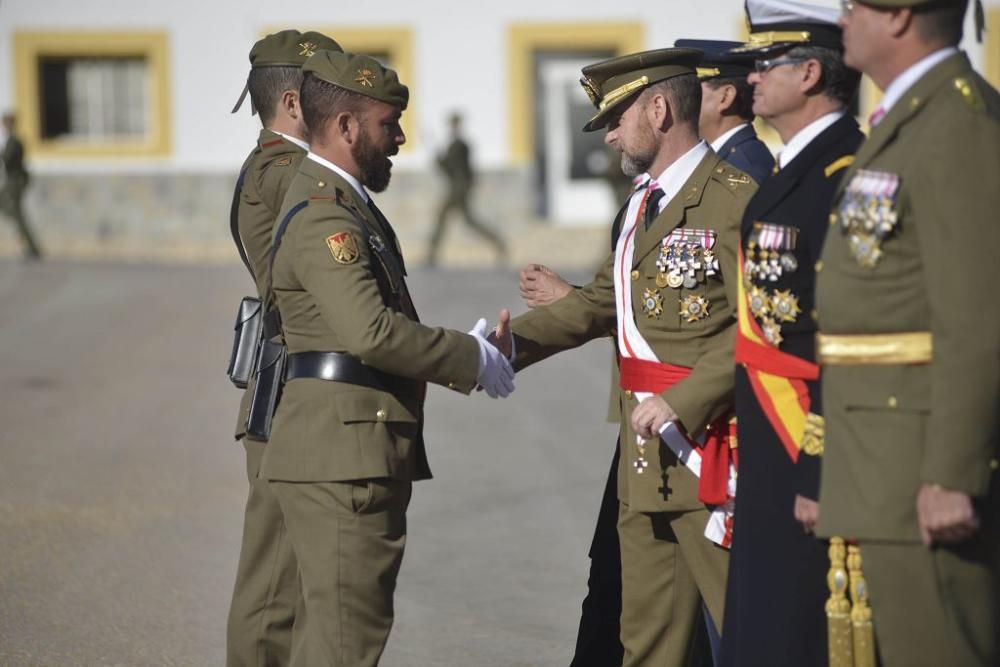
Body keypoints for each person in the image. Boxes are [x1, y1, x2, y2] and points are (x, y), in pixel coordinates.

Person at [519, 39, 777, 667]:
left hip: (715, 453)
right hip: (645, 463)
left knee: (752, 641)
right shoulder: (641, 204)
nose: (609, 137)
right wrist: (501, 348)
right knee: (647, 645)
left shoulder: (738, 198)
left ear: (658, 111)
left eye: (617, 119)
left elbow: (761, 330)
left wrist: (681, 400)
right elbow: (602, 304)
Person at [261, 49, 514, 666]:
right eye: (386, 124)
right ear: (346, 127)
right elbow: (371, 331)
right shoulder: (328, 216)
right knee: (347, 643)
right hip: (343, 460)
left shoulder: (344, 203)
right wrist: (472, 356)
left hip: (340, 452)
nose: (399, 137)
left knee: (330, 638)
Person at [816, 0, 998, 664]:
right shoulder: (911, 119)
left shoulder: (955, 123)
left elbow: (978, 315)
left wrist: (952, 471)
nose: (841, 21)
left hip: (922, 467)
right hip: (882, 459)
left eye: (852, 7)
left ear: (898, 17)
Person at [714, 2, 865, 665]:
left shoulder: (846, 174)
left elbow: (853, 331)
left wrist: (823, 462)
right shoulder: (786, 171)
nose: (750, 79)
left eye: (764, 65)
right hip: (769, 440)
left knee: (798, 631)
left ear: (809, 74)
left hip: (809, 439)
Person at [225, 29, 342, 667]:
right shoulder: (288, 171)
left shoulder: (275, 166)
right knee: (275, 585)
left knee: (290, 581)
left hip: (289, 382)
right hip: (289, 387)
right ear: (296, 103)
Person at [675, 39, 775, 185]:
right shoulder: (724, 159)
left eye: (690, 88)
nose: (679, 97)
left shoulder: (744, 169)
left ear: (725, 97)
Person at [426, 112, 507, 266]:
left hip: (458, 188)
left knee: (443, 218)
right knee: (467, 220)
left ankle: (431, 254)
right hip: (459, 187)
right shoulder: (460, 144)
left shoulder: (459, 145)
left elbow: (449, 167)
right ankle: (498, 243)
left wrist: (438, 159)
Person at [0, 112, 42, 259]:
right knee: (16, 214)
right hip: (13, 180)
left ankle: (31, 247)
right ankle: (29, 244)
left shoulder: (15, 141)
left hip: (16, 181)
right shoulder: (11, 140)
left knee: (18, 216)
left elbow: (8, 159)